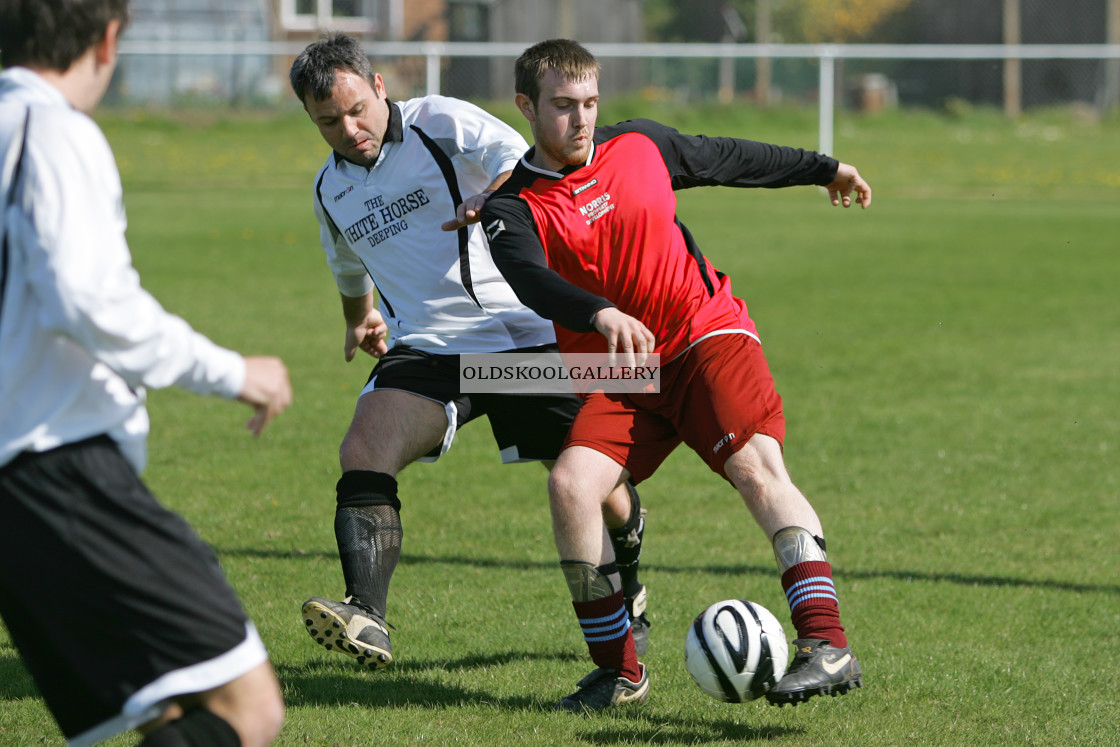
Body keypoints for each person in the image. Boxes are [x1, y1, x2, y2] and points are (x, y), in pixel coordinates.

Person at [480, 38, 871, 712]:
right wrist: (598, 312)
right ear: (526, 107)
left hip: (703, 335)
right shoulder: (512, 205)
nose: (582, 120)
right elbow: (529, 279)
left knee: (756, 467)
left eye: (591, 103)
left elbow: (730, 157)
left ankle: (827, 643)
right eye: (564, 106)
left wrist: (823, 167)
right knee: (572, 484)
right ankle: (619, 671)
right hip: (622, 374)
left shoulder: (640, 146)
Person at [288, 33, 650, 671]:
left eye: (355, 111)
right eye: (326, 122)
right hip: (429, 346)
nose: (347, 130)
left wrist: (494, 194)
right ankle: (367, 614)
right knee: (363, 449)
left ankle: (629, 579)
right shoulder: (329, 189)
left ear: (379, 88)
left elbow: (522, 155)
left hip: (524, 333)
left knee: (599, 490)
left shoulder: (439, 121)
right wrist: (360, 316)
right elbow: (347, 263)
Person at [0, 1, 293, 745]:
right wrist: (231, 371)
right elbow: (89, 298)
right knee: (245, 707)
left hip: (26, 479)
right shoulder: (55, 131)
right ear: (107, 39)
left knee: (170, 710)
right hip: (58, 469)